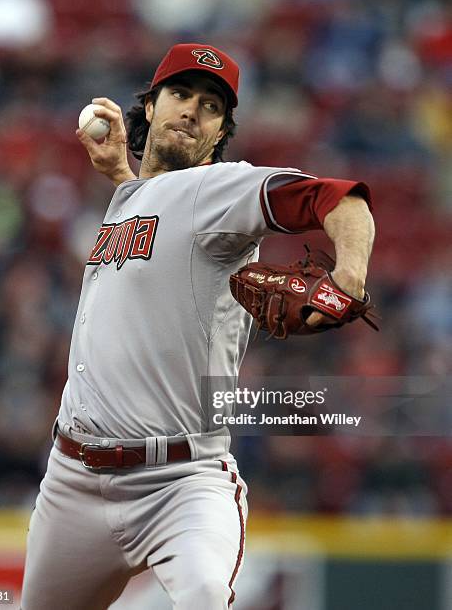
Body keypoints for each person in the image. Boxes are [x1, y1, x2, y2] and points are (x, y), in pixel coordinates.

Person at [20, 43, 375, 609]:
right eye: (180, 94)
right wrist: (121, 175)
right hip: (72, 481)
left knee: (206, 597)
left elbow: (342, 202)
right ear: (151, 106)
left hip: (180, 484)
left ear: (220, 132)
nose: (191, 109)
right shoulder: (132, 198)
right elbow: (160, 228)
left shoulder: (221, 189)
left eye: (210, 105)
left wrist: (350, 278)